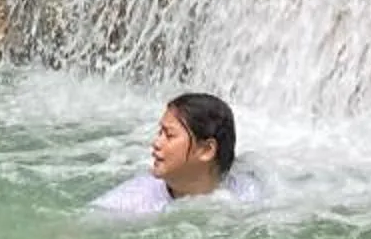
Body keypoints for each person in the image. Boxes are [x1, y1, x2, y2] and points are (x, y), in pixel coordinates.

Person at [90, 90, 261, 220]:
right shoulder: (125, 206)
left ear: (206, 150)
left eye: (169, 135)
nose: (156, 143)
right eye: (160, 133)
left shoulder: (251, 196)